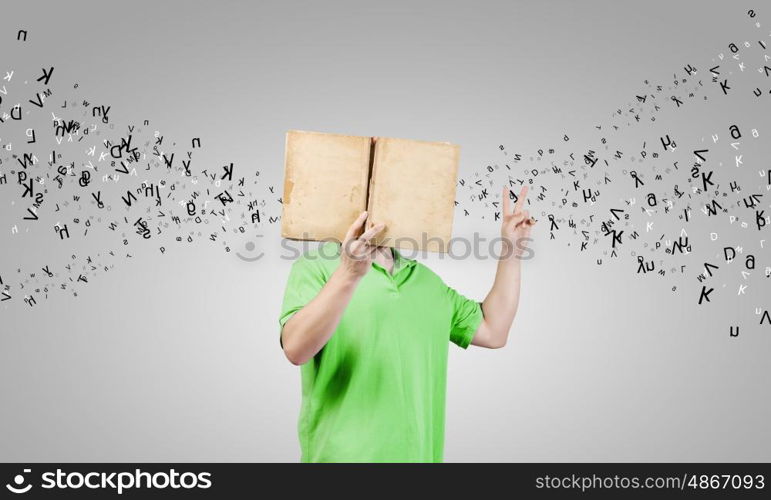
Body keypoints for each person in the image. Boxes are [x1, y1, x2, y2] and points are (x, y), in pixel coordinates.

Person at [278, 182, 536, 462]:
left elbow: (493, 330)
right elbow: (295, 349)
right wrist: (348, 274)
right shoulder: (315, 267)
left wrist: (512, 248)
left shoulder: (426, 281)